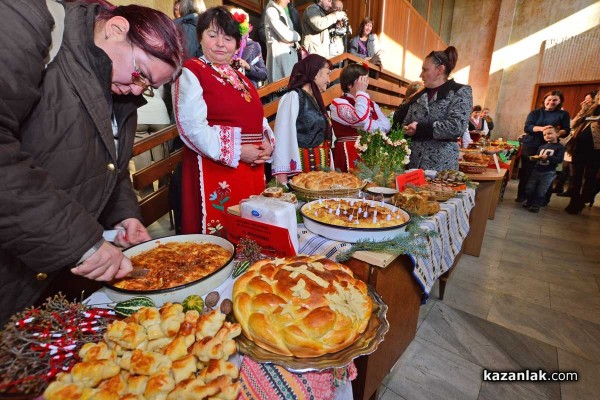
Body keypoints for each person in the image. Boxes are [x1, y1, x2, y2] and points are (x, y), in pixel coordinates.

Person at [0, 0, 184, 323]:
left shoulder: (117, 83)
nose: (136, 89)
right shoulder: (33, 24)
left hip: (51, 285)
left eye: (148, 87)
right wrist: (83, 242)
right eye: (140, 74)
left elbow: (110, 163)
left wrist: (125, 215)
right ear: (115, 29)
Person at [173, 6, 274, 235]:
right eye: (212, 35)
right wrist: (239, 151)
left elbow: (258, 117)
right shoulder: (192, 71)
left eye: (228, 38)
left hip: (250, 171)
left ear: (238, 44)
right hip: (214, 170)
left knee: (250, 235)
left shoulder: (242, 78)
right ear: (200, 38)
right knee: (221, 241)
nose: (220, 43)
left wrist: (267, 140)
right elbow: (191, 128)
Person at [393, 46, 472, 171]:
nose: (421, 74)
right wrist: (406, 129)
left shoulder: (460, 91)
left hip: (441, 166)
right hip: (413, 165)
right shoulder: (418, 95)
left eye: (425, 70)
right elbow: (405, 123)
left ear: (440, 70)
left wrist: (420, 129)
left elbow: (457, 126)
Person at [272, 54, 333, 183]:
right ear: (316, 73)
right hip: (301, 173)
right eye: (327, 74)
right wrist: (282, 181)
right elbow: (282, 137)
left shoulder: (315, 101)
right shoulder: (293, 97)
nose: (329, 80)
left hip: (318, 172)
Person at [329, 63, 390, 172]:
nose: (366, 84)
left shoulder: (371, 103)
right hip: (348, 152)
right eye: (362, 80)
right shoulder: (338, 103)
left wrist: (365, 125)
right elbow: (360, 118)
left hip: (370, 152)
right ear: (350, 84)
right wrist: (361, 93)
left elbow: (386, 126)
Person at [517, 90, 570, 202]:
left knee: (547, 173)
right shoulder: (535, 112)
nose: (551, 102)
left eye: (555, 100)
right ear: (545, 100)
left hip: (550, 147)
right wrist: (543, 129)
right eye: (549, 99)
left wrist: (554, 134)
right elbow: (528, 127)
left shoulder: (563, 114)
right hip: (531, 145)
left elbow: (566, 130)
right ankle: (522, 196)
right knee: (527, 171)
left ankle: (541, 199)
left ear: (559, 101)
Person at [564, 89, 600, 214]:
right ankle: (573, 201)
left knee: (590, 178)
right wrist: (583, 110)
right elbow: (573, 124)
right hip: (578, 147)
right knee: (575, 177)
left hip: (596, 151)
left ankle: (582, 201)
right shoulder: (591, 108)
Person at [523, 127, 565, 213]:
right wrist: (534, 158)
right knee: (530, 187)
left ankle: (536, 205)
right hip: (536, 170)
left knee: (541, 190)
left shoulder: (560, 147)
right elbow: (538, 157)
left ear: (557, 134)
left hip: (548, 172)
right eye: (544, 135)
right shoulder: (542, 146)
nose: (547, 136)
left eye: (550, 133)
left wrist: (548, 157)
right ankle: (529, 201)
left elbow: (559, 159)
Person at [264, 0, 301, 83]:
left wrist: (292, 40)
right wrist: (297, 36)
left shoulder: (282, 12)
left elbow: (289, 37)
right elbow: (287, 35)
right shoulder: (271, 11)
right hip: (280, 60)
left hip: (288, 60)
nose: (288, 1)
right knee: (280, 90)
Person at [229, 8, 267, 88]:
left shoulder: (254, 46)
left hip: (249, 91)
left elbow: (264, 74)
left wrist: (248, 67)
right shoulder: (224, 44)